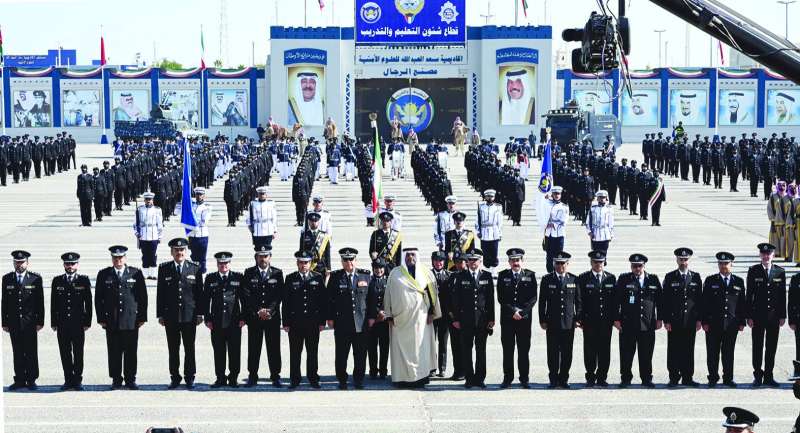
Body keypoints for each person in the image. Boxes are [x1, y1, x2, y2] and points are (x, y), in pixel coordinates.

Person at [384, 248, 442, 388]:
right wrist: (389, 315)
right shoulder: (395, 273)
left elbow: (434, 295)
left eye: (413, 254)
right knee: (401, 350)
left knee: (420, 350)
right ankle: (401, 378)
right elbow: (388, 295)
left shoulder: (426, 273)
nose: (410, 257)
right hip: (400, 320)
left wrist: (433, 313)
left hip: (421, 320)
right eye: (407, 255)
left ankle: (420, 377)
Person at [95, 245, 147, 390]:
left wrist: (142, 317)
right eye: (115, 258)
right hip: (112, 320)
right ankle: (116, 379)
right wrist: (101, 318)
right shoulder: (104, 274)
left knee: (131, 351)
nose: (118, 260)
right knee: (114, 351)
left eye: (121, 257)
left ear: (125, 258)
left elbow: (142, 297)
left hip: (131, 320)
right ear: (112, 258)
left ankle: (130, 379)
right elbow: (99, 299)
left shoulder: (135, 273)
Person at [157, 238, 204, 389]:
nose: (179, 253)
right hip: (171, 316)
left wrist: (200, 314)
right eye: (176, 250)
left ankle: (190, 377)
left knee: (189, 347)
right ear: (171, 252)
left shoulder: (194, 268)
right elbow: (160, 293)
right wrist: (160, 314)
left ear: (186, 251)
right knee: (173, 348)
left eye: (182, 250)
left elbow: (199, 293)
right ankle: (175, 377)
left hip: (189, 316)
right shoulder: (164, 268)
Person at [614, 253, 662, 388]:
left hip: (647, 324)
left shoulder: (652, 279)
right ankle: (625, 378)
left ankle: (646, 378)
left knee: (646, 354)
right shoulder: (624, 279)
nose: (637, 268)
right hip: (627, 324)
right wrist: (616, 319)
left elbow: (660, 301)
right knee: (626, 353)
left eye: (639, 266)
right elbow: (615, 301)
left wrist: (660, 319)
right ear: (631, 266)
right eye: (634, 266)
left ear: (644, 266)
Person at [327, 247, 372, 390]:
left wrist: (371, 317)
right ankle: (342, 379)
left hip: (361, 322)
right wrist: (330, 318)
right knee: (341, 355)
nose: (348, 263)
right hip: (342, 323)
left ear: (355, 260)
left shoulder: (365, 276)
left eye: (351, 259)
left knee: (360, 355)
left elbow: (370, 299)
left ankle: (358, 379)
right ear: (341, 261)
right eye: (345, 260)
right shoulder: (335, 277)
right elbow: (329, 300)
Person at [449, 249, 494, 388]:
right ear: (467, 262)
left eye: (475, 260)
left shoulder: (487, 276)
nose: (473, 263)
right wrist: (456, 319)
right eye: (470, 260)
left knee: (481, 351)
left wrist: (491, 319)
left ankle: (480, 378)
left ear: (480, 261)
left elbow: (490, 299)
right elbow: (456, 299)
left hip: (482, 320)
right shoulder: (461, 276)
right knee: (466, 351)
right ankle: (469, 378)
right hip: (465, 320)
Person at [282, 251, 326, 389]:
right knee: (295, 353)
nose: (303, 265)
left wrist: (322, 321)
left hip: (312, 323)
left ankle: (313, 378)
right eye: (301, 262)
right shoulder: (290, 278)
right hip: (295, 323)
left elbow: (322, 301)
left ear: (310, 263)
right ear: (297, 263)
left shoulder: (318, 278)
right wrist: (286, 323)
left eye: (306, 262)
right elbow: (286, 302)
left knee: (312, 352)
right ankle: (295, 379)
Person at [243, 245, 285, 388]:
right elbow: (246, 295)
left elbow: (279, 295)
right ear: (256, 257)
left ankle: (275, 376)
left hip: (272, 318)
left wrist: (269, 310)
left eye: (265, 256)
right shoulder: (249, 273)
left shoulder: (277, 273)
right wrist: (258, 310)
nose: (263, 259)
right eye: (260, 256)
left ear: (270, 257)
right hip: (255, 318)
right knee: (254, 348)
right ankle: (252, 376)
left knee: (273, 348)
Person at [702, 251, 746, 387]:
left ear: (731, 264)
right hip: (713, 324)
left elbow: (742, 304)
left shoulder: (738, 281)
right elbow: (704, 302)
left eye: (726, 263)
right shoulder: (710, 280)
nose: (723, 266)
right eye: (720, 263)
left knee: (728, 352)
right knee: (712, 352)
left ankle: (728, 378)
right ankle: (713, 378)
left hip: (731, 324)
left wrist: (741, 322)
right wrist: (704, 321)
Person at [2, 250, 44, 390]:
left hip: (30, 323)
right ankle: (19, 379)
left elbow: (40, 302)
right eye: (17, 262)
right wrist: (4, 322)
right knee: (17, 351)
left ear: (27, 263)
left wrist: (40, 321)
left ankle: (31, 379)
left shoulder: (35, 279)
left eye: (22, 262)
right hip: (14, 322)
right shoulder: (7, 279)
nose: (19, 264)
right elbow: (4, 302)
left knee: (31, 351)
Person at [746, 242, 786, 387]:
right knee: (757, 346)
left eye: (768, 254)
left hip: (774, 317)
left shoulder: (780, 272)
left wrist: (783, 316)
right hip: (757, 316)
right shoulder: (753, 271)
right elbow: (749, 295)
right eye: (763, 254)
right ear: (760, 255)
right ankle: (758, 375)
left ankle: (769, 375)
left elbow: (782, 296)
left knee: (771, 347)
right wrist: (748, 316)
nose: (766, 256)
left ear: (773, 255)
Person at [51, 252, 92, 391]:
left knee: (78, 352)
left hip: (78, 324)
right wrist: (54, 322)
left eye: (73, 264)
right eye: (67, 264)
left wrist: (88, 322)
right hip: (62, 324)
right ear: (63, 265)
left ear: (77, 265)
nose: (70, 266)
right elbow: (53, 303)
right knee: (65, 352)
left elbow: (89, 303)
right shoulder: (57, 281)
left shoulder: (83, 280)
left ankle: (78, 380)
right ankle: (68, 379)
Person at [662, 247, 703, 387]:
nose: (683, 262)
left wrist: (699, 320)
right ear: (676, 260)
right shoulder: (670, 277)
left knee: (688, 349)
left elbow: (699, 300)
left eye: (685, 259)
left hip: (690, 320)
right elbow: (665, 301)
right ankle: (673, 377)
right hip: (674, 321)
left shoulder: (696, 277)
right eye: (681, 259)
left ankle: (687, 377)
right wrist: (666, 320)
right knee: (673, 349)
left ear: (689, 260)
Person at [538, 251, 580, 388]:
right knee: (553, 352)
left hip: (569, 323)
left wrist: (578, 318)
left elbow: (579, 302)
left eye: (563, 263)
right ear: (553, 264)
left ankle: (564, 378)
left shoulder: (574, 279)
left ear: (568, 264)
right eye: (557, 263)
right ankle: (553, 379)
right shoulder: (547, 279)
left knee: (567, 352)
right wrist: (542, 319)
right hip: (552, 322)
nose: (560, 266)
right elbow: (542, 302)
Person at [497, 248, 537, 389]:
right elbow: (501, 297)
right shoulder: (502, 276)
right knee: (508, 350)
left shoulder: (530, 275)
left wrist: (522, 312)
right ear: (509, 262)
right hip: (508, 319)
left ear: (522, 261)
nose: (515, 263)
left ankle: (524, 378)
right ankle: (507, 378)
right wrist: (513, 311)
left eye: (518, 260)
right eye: (513, 260)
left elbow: (533, 298)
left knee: (523, 350)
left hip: (524, 320)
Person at [204, 252, 245, 388]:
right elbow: (206, 300)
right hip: (217, 322)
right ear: (217, 264)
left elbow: (244, 299)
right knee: (219, 351)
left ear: (229, 264)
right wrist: (207, 319)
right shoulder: (210, 278)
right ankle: (220, 377)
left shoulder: (238, 277)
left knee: (234, 351)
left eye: (226, 263)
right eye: (221, 263)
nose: (223, 266)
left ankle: (233, 377)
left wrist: (243, 318)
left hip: (234, 321)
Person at [576, 250, 616, 387]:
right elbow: (579, 300)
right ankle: (590, 377)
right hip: (589, 321)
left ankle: (602, 377)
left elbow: (615, 301)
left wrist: (615, 318)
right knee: (589, 350)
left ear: (604, 262)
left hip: (606, 321)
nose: (598, 264)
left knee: (605, 349)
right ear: (591, 263)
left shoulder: (611, 278)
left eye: (600, 262)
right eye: (595, 262)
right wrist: (580, 318)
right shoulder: (583, 278)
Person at [366, 258, 390, 379]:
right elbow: (366, 301)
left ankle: (383, 370)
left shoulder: (388, 281)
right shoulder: (369, 281)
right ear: (373, 269)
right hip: (372, 321)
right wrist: (376, 313)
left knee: (384, 346)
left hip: (385, 320)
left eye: (381, 268)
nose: (379, 270)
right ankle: (373, 370)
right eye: (376, 268)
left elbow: (391, 300)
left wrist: (385, 313)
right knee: (372, 347)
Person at [429, 251, 451, 377]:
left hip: (444, 315)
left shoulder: (449, 275)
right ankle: (432, 368)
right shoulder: (427, 275)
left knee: (443, 342)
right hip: (431, 315)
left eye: (441, 260)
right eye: (436, 260)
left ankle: (442, 368)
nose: (439, 263)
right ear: (433, 261)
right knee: (431, 342)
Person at [134, 191, 164, 280]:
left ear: (152, 200)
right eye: (146, 199)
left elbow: (160, 224)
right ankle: (145, 274)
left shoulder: (157, 210)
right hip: (143, 235)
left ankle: (153, 273)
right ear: (144, 200)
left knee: (153, 255)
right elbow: (135, 223)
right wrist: (137, 233)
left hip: (153, 235)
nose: (148, 201)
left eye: (150, 199)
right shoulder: (140, 209)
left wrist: (160, 236)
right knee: (145, 255)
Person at [475, 189, 503, 276]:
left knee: (494, 252)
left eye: (491, 196)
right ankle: (487, 271)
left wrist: (500, 233)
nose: (490, 198)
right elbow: (477, 221)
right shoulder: (481, 207)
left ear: (494, 197)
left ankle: (494, 271)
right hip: (484, 232)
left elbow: (500, 222)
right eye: (488, 196)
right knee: (485, 253)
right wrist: (478, 231)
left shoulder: (498, 207)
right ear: (485, 197)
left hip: (494, 232)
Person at [543, 186, 568, 273]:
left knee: (558, 255)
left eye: (558, 194)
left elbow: (564, 221)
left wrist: (553, 224)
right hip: (549, 234)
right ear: (552, 194)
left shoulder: (564, 207)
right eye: (555, 194)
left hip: (559, 234)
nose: (557, 195)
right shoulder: (547, 203)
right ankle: (550, 272)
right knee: (549, 255)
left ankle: (558, 271)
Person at [299, 212, 332, 276]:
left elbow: (327, 253)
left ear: (318, 222)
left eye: (315, 221)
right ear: (308, 222)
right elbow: (301, 251)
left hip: (321, 266)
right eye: (311, 221)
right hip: (308, 266)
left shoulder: (324, 236)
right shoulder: (304, 235)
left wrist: (328, 268)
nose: (313, 223)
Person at [247, 186, 279, 250]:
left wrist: (275, 230)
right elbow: (248, 216)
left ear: (266, 195)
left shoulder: (271, 203)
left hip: (268, 230)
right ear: (258, 194)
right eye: (260, 194)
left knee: (267, 248)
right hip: (257, 230)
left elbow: (274, 218)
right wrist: (249, 226)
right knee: (258, 249)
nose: (262, 195)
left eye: (263, 194)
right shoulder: (253, 204)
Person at [189, 187, 212, 274]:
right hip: (193, 235)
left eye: (200, 195)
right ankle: (195, 273)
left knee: (202, 257)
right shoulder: (192, 206)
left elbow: (204, 221)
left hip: (202, 235)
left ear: (204, 196)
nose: (198, 196)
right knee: (194, 256)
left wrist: (192, 221)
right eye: (197, 194)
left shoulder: (207, 207)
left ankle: (202, 272)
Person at [586, 190, 614, 256]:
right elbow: (588, 222)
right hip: (595, 233)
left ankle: (603, 262)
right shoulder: (593, 209)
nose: (602, 199)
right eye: (600, 197)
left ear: (606, 198)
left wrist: (611, 234)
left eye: (603, 197)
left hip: (605, 233)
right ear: (597, 198)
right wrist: (589, 232)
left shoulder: (609, 209)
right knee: (596, 253)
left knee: (604, 252)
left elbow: (611, 223)